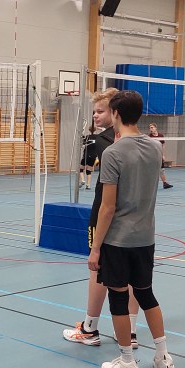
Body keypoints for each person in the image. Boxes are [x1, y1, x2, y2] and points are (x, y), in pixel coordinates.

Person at [88, 90, 176, 368]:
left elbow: (107, 207)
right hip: (146, 238)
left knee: (118, 297)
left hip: (118, 240)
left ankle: (127, 363)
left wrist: (96, 248)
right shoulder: (154, 148)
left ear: (115, 114)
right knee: (146, 294)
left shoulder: (113, 153)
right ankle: (163, 357)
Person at [63, 88, 141, 349]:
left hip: (107, 212)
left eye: (100, 111)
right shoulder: (141, 141)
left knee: (97, 269)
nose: (95, 116)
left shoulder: (105, 141)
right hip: (134, 214)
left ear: (115, 112)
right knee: (131, 274)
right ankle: (129, 331)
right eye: (94, 111)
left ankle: (90, 328)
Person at [78, 120, 102, 190]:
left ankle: (82, 180)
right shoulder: (98, 137)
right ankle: (88, 185)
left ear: (89, 130)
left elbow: (82, 145)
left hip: (86, 155)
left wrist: (82, 140)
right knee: (89, 171)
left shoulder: (87, 137)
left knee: (81, 169)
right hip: (94, 156)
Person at [148, 123, 173, 189]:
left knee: (161, 170)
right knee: (152, 170)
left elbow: (163, 146)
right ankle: (150, 184)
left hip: (159, 155)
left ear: (156, 128)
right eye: (150, 128)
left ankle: (165, 183)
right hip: (152, 156)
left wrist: (163, 155)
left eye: (152, 127)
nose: (150, 129)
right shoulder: (149, 137)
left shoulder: (161, 135)